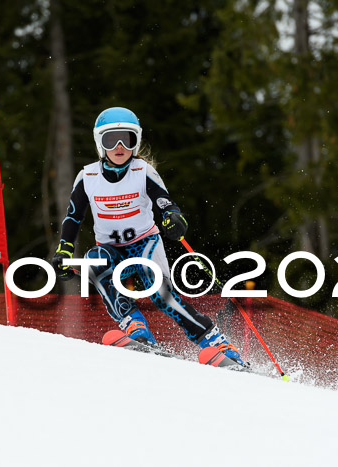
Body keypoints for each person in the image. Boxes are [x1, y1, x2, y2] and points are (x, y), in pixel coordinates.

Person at [51, 107, 247, 366]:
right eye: (112, 140)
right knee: (94, 260)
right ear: (100, 143)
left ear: (137, 141)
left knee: (161, 294)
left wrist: (173, 218)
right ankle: (135, 326)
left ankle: (215, 342)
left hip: (145, 243)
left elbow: (165, 202)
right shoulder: (87, 177)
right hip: (110, 248)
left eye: (128, 139)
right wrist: (64, 250)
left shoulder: (143, 171)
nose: (120, 146)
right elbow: (73, 217)